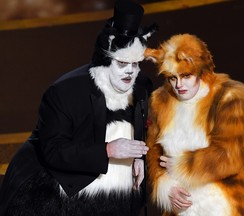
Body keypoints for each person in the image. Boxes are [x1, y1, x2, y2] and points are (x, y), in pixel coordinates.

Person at [0, 0, 158, 215]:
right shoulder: (64, 92)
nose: (130, 72)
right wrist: (108, 149)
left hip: (115, 195)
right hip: (55, 191)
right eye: (122, 63)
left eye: (135, 64)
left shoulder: (142, 87)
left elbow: (142, 125)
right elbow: (54, 151)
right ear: (105, 60)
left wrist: (138, 157)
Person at [144, 34, 244, 216]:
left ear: (201, 71)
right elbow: (154, 150)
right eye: (172, 78)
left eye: (186, 76)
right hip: (184, 208)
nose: (179, 85)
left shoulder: (234, 97)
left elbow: (231, 154)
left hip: (233, 202)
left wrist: (181, 166)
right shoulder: (160, 101)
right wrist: (166, 186)